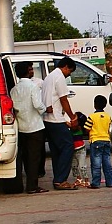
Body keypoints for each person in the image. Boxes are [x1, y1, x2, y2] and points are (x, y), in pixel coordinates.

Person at [41, 56, 80, 190]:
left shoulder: (49, 77)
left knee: (56, 150)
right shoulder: (59, 77)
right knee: (68, 146)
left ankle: (58, 178)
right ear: (66, 67)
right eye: (70, 71)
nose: (69, 75)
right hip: (56, 119)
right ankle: (60, 179)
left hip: (47, 119)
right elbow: (64, 100)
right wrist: (72, 117)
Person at [10, 61, 48, 194]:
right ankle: (32, 186)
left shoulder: (14, 89)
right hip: (35, 126)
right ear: (28, 71)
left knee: (25, 157)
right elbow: (37, 104)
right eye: (31, 69)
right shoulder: (33, 86)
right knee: (34, 158)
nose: (32, 71)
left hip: (21, 127)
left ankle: (24, 183)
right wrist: (45, 109)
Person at [84, 95, 112, 189]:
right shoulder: (108, 117)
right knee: (107, 162)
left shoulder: (92, 117)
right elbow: (109, 128)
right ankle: (110, 182)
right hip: (106, 140)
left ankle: (96, 183)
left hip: (96, 141)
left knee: (96, 163)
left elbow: (86, 128)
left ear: (94, 105)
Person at [69, 112, 90, 188]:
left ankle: (86, 180)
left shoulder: (78, 128)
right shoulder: (72, 127)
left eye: (74, 118)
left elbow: (70, 125)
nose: (71, 120)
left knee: (82, 166)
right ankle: (78, 179)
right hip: (74, 150)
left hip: (80, 149)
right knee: (74, 166)